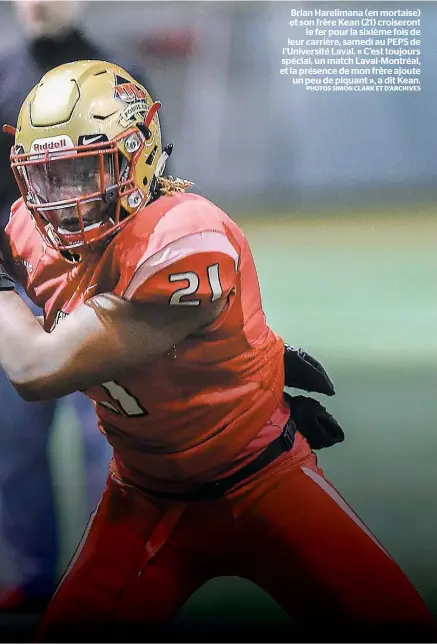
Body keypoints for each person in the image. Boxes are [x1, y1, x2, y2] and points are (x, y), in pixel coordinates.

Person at [0, 59, 434, 643]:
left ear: (139, 156)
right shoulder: (28, 230)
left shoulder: (183, 235)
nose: (68, 201)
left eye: (87, 172)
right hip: (143, 495)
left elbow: (36, 365)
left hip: (264, 481)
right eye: (50, 178)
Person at [0, 0, 154, 612]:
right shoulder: (2, 78)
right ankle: (32, 572)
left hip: (100, 286)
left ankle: (111, 576)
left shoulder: (120, 74)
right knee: (13, 446)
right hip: (18, 292)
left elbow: (151, 181)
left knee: (112, 444)